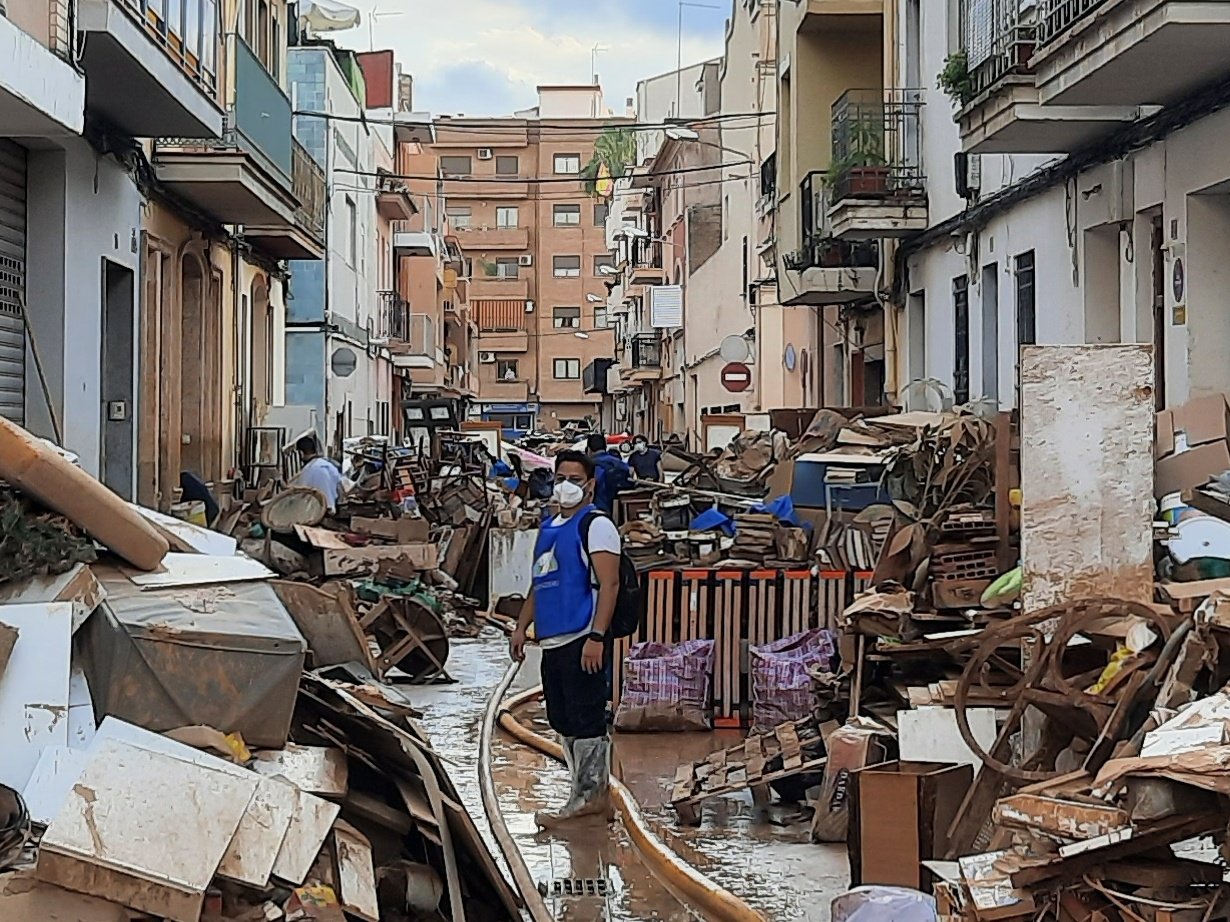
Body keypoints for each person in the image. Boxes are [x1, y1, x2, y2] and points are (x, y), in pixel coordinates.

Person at [510, 450, 621, 827]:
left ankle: (592, 796)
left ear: (590, 485)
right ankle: (583, 792)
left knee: (587, 717)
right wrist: (520, 626)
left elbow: (610, 584)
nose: (566, 486)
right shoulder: (549, 527)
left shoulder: (597, 526)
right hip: (552, 641)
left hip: (581, 637)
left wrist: (597, 636)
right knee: (562, 718)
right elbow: (539, 583)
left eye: (574, 479)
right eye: (561, 478)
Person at [294, 435, 346, 513]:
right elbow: (341, 487)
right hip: (334, 510)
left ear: (301, 453)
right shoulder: (329, 466)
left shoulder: (307, 471)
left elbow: (301, 496)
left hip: (317, 514)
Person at [585, 432, 631, 515]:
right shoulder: (620, 463)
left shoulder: (589, 466)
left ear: (588, 449)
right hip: (623, 511)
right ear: (605, 447)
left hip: (599, 509)